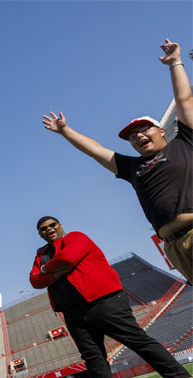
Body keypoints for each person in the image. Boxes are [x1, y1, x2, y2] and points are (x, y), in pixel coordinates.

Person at [42, 38, 193, 284]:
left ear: (162, 130)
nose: (138, 136)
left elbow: (184, 100)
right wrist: (65, 131)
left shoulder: (185, 142)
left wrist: (175, 63)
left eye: (144, 130)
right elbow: (96, 150)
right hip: (176, 246)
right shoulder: (133, 168)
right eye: (132, 137)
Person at [28, 216, 193, 378]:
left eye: (52, 225)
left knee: (137, 340)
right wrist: (55, 273)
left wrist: (47, 270)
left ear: (60, 226)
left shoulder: (76, 238)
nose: (49, 230)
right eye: (43, 229)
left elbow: (68, 259)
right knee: (92, 356)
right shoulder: (40, 255)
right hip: (72, 310)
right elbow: (35, 280)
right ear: (40, 234)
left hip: (103, 300)